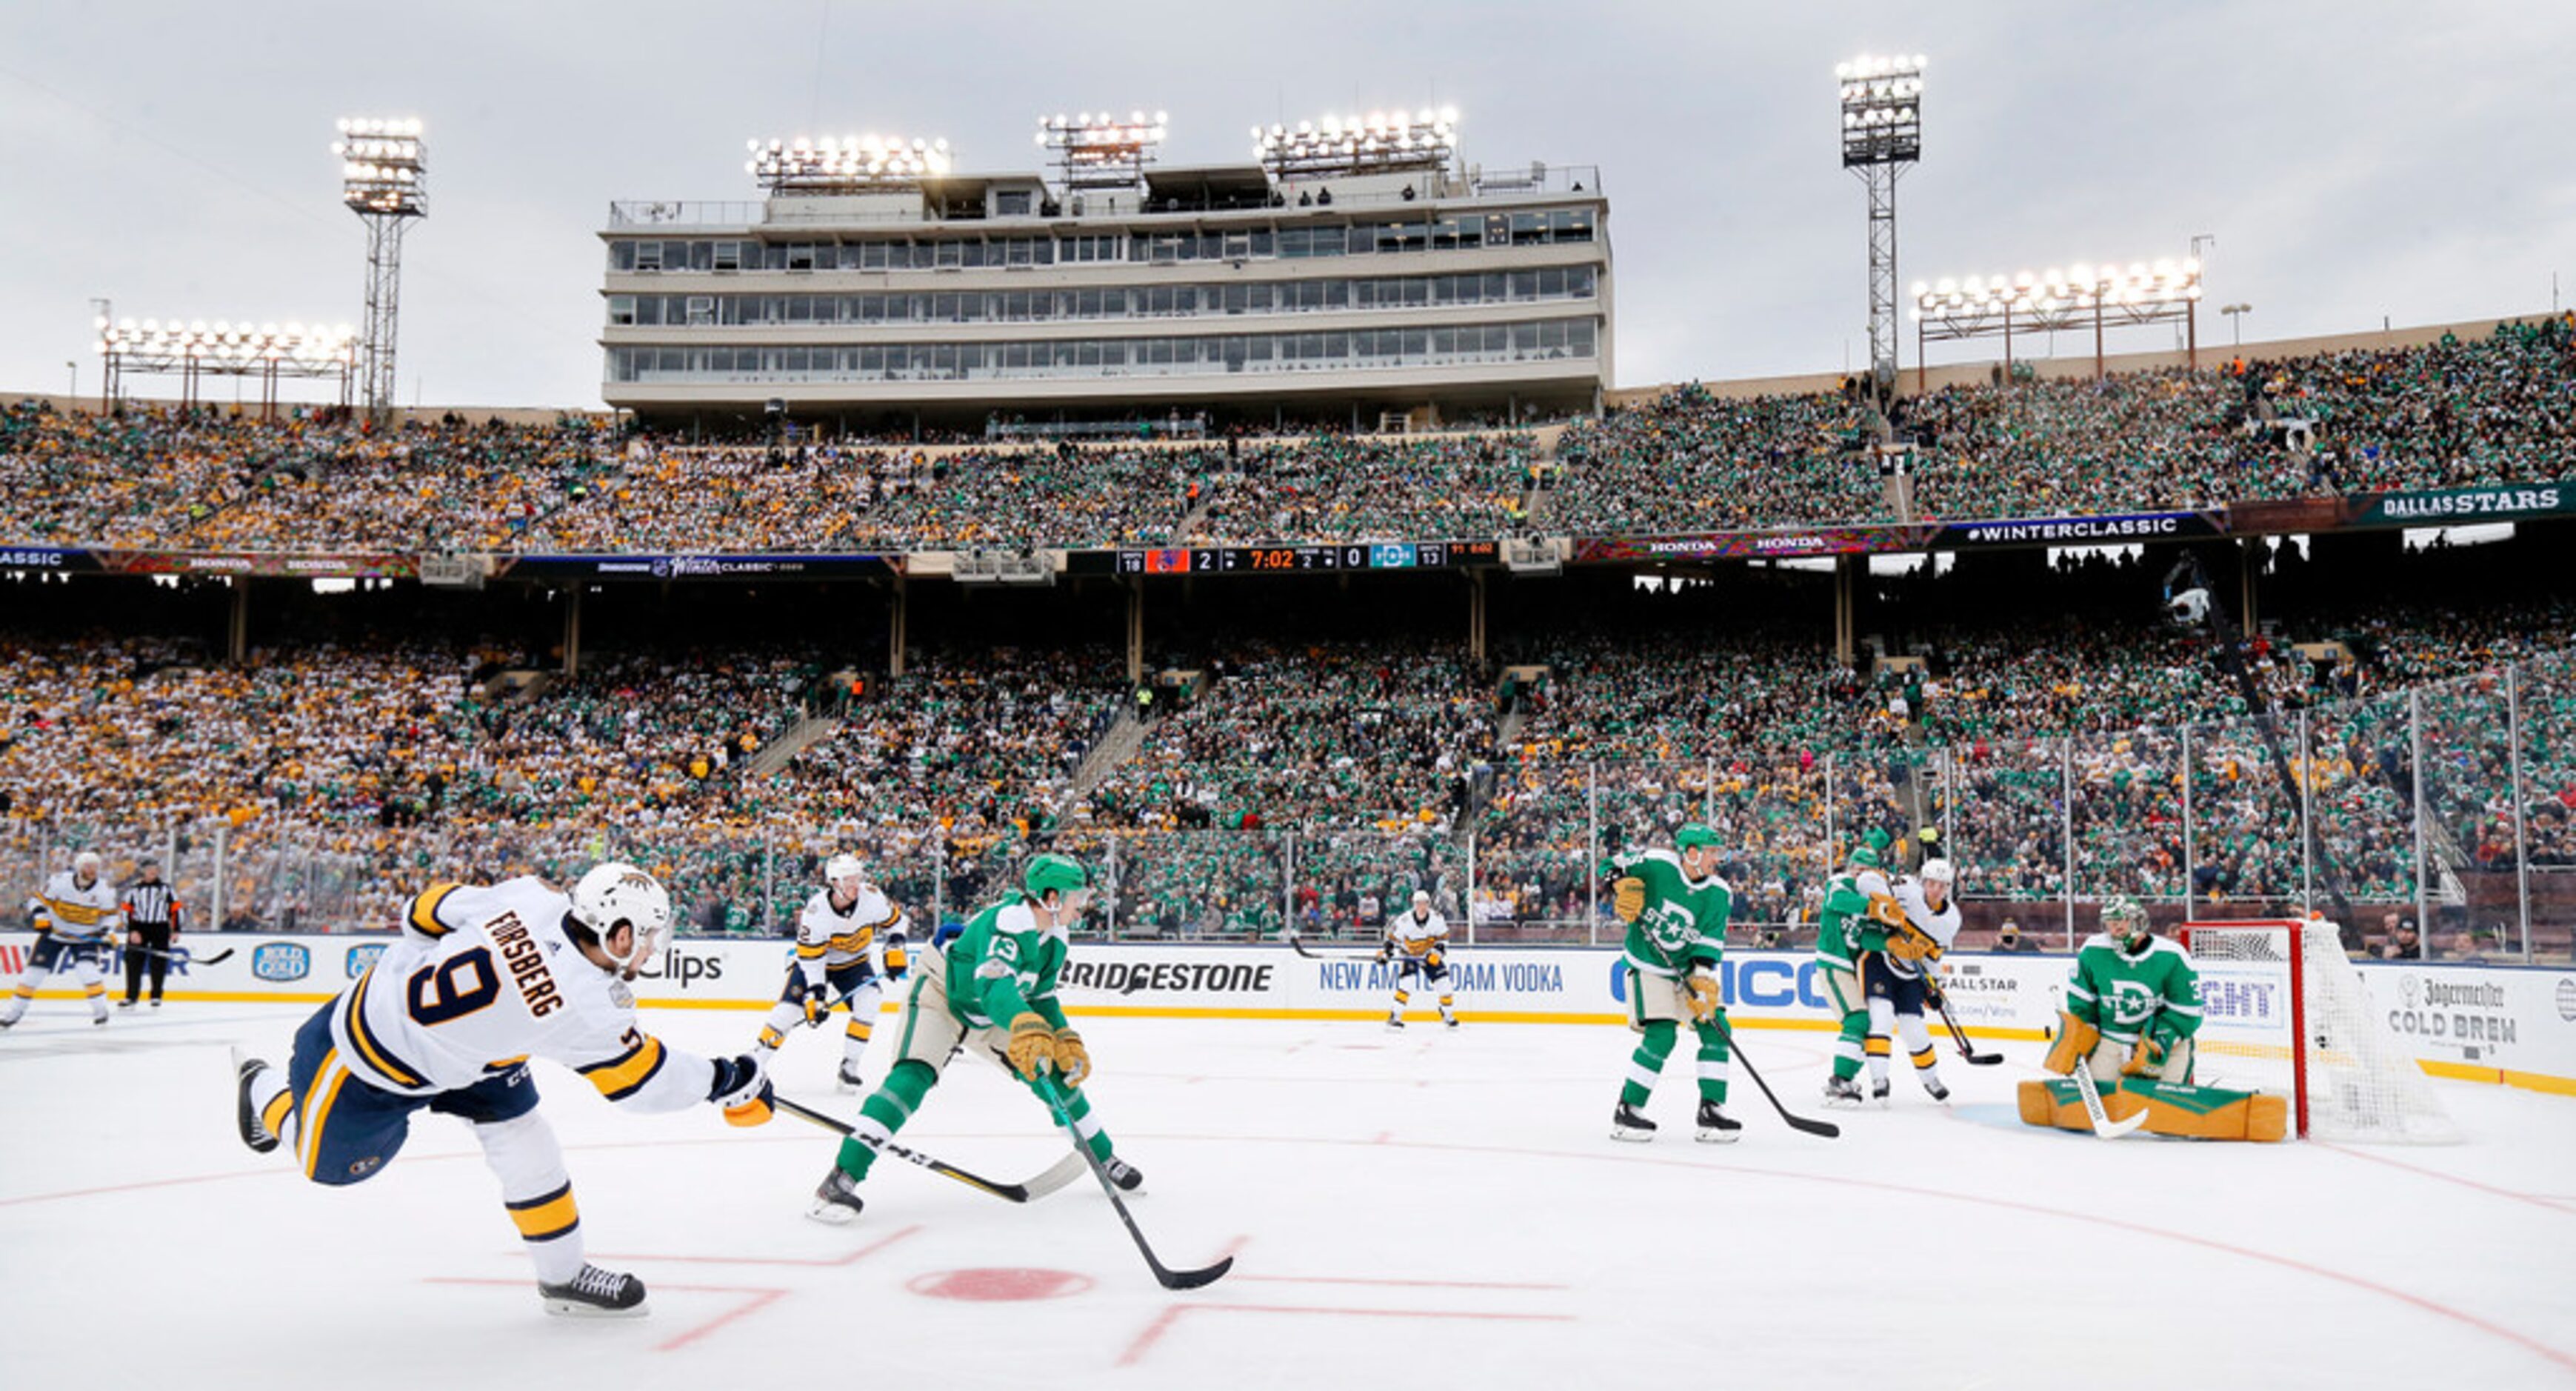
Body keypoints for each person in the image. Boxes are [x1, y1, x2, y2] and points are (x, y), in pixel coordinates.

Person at [230, 864, 776, 1316]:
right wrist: (728, 1080)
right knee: (322, 1165)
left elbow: (423, 911)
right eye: (650, 936)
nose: (653, 948)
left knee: (527, 1141)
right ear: (620, 934)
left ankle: (563, 1280)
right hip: (364, 1060)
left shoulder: (531, 896)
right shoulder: (587, 1006)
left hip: (472, 1057)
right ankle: (262, 1090)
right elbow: (642, 1084)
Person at [810, 854, 1140, 1223]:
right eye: (1076, 897)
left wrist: (1063, 1034)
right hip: (942, 994)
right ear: (1051, 897)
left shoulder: (1056, 937)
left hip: (992, 1010)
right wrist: (1025, 1025)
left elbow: (1042, 996)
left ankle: (1104, 1156)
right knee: (910, 1078)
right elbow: (994, 985)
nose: (1083, 906)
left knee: (1052, 1074)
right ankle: (841, 1179)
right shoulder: (1009, 922)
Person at [2018, 897, 2283, 1141]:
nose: (2114, 930)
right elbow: (2082, 1003)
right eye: (2109, 924)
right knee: (2101, 1107)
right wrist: (2080, 1038)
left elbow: (2187, 1011)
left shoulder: (2171, 956)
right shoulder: (2093, 950)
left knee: (2165, 1122)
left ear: (2138, 922)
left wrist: (2159, 1043)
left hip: (2162, 1044)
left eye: (2120, 923)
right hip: (2112, 1041)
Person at [1601, 824, 1738, 1143]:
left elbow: (1708, 943)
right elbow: (1608, 865)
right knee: (1662, 1035)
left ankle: (1711, 1112)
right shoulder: (1657, 863)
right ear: (1691, 853)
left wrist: (1703, 982)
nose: (1717, 859)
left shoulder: (1719, 893)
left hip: (1686, 967)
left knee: (1716, 1027)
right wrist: (1620, 884)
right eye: (1711, 852)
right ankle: (1628, 1110)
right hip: (1647, 963)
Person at [752, 853, 910, 1090]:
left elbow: (897, 922)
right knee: (787, 1013)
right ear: (834, 883)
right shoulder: (816, 913)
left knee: (870, 1000)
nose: (855, 885)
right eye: (848, 880)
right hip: (816, 965)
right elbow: (811, 958)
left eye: (857, 878)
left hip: (854, 963)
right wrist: (816, 992)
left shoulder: (873, 898)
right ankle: (755, 1065)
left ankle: (850, 1066)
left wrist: (895, 945)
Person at [1861, 858, 1961, 1104]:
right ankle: (1879, 1079)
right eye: (1932, 883)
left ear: (1949, 887)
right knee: (1881, 1017)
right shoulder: (1905, 888)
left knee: (1914, 1029)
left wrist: (1935, 986)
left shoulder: (1951, 920)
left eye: (1942, 885)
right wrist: (1886, 903)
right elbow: (1866, 880)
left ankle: (1931, 1079)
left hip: (1911, 974)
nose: (1936, 890)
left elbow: (1934, 956)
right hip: (1882, 962)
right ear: (1923, 881)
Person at [1812, 837, 1896, 1107]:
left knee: (1863, 1024)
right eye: (1858, 869)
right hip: (1832, 962)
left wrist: (1898, 944)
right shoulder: (1840, 884)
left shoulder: (1872, 900)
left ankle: (1845, 1077)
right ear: (1850, 869)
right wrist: (1873, 908)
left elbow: (1868, 939)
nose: (1861, 875)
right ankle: (1839, 1082)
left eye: (1867, 872)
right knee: (1857, 1020)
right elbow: (1837, 900)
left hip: (1848, 969)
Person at [1, 850, 122, 1029]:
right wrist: (41, 917)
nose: (93, 870)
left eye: (96, 866)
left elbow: (111, 917)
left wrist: (105, 931)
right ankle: (14, 1013)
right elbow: (36, 901)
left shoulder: (104, 890)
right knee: (33, 974)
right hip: (55, 934)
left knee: (86, 970)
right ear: (80, 867)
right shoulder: (60, 882)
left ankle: (100, 1011)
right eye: (89, 866)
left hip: (85, 937)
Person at [1377, 889, 1457, 1029]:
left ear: (1429, 904)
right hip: (1409, 956)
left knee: (1444, 984)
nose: (1422, 907)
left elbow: (1444, 939)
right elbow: (1391, 940)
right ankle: (1395, 1016)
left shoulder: (1437, 919)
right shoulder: (1404, 920)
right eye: (1419, 904)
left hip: (1428, 955)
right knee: (1408, 984)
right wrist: (1386, 954)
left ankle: (1447, 1015)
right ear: (1414, 905)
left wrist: (1437, 953)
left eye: (1425, 903)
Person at [119, 860, 182, 1009]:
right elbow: (125, 911)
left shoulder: (167, 889)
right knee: (133, 962)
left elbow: (176, 910)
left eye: (155, 868)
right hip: (139, 927)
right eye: (149, 869)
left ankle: (156, 995)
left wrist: (176, 930)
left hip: (160, 927)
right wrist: (132, 930)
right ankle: (131, 996)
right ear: (143, 871)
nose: (153, 871)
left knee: (159, 962)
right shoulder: (133, 890)